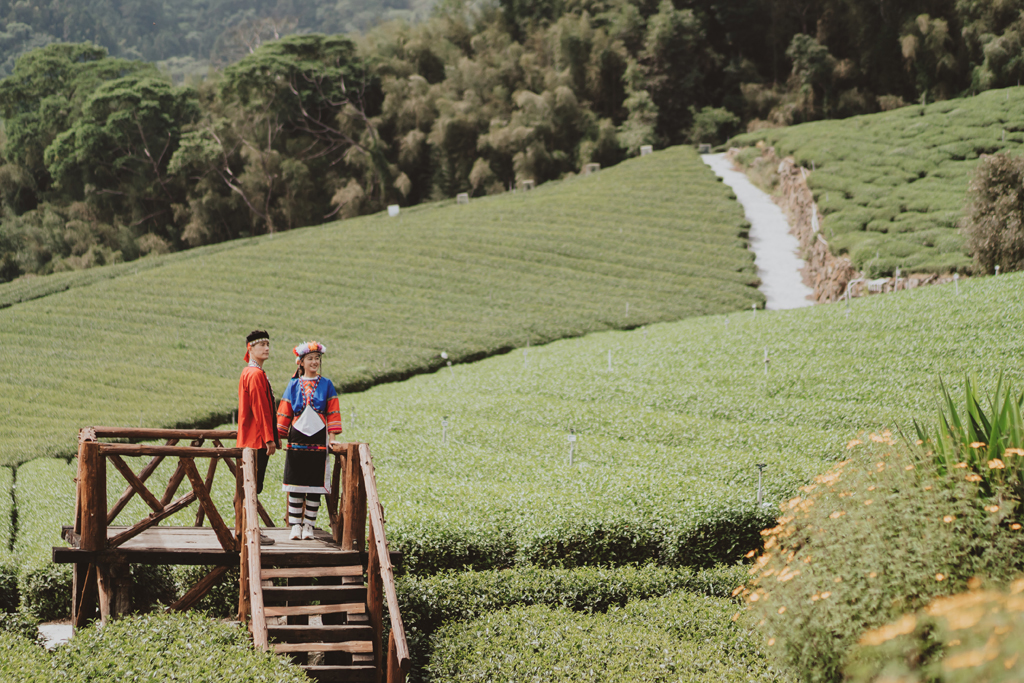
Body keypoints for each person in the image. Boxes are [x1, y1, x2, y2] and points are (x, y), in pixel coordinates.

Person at [276, 341, 342, 540]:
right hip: (296, 437)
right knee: (296, 483)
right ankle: (295, 525)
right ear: (301, 362)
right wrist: (279, 435)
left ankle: (309, 526)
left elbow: (332, 411)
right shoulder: (294, 384)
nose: (315, 362)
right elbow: (285, 409)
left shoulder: (326, 384)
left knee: (315, 484)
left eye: (317, 359)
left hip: (319, 438)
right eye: (310, 359)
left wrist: (332, 438)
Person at [237, 329, 280, 545]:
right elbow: (260, 409)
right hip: (256, 440)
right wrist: (269, 438)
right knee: (253, 486)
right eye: (261, 344)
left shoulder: (251, 372)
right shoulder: (254, 374)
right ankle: (251, 529)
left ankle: (247, 528)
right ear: (250, 348)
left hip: (251, 439)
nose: (266, 348)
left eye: (267, 344)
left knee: (251, 486)